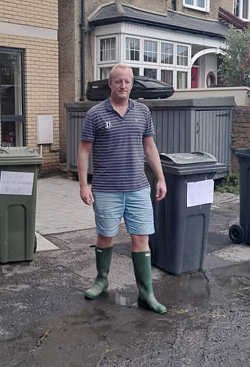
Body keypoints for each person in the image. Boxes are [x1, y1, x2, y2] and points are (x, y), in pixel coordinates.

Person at [78, 64, 167, 314]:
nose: (123, 86)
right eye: (119, 81)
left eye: (128, 82)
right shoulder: (95, 114)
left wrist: (160, 178)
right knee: (105, 236)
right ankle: (101, 280)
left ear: (132, 84)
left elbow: (150, 147)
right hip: (106, 189)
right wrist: (84, 185)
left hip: (138, 188)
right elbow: (84, 150)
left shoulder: (143, 112)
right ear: (110, 83)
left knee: (141, 238)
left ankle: (146, 293)